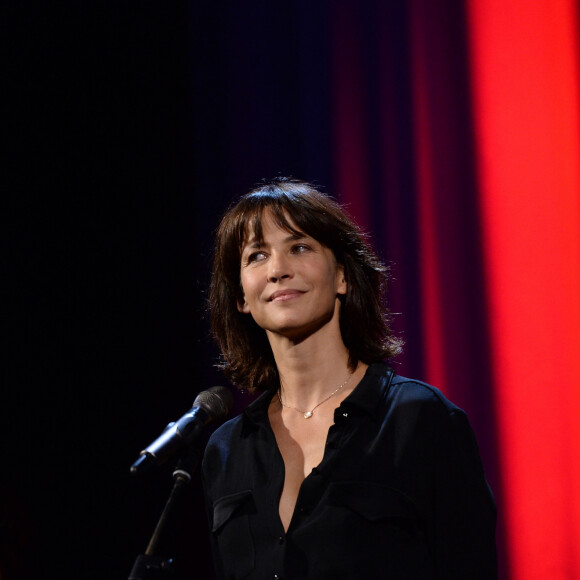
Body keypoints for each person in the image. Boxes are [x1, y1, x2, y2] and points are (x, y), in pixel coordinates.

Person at [202, 177, 497, 579]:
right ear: (240, 298)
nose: (277, 270)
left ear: (342, 276)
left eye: (299, 247)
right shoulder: (225, 450)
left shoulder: (422, 421)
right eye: (256, 256)